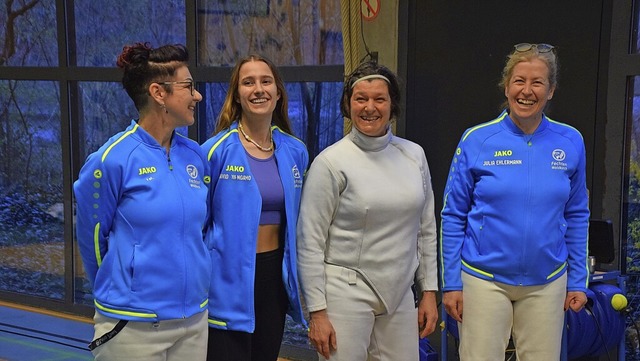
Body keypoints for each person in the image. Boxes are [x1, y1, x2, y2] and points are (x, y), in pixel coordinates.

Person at [440, 43, 590, 361]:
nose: (527, 91)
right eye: (519, 81)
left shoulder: (570, 141)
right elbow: (453, 215)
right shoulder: (477, 140)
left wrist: (577, 280)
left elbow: (577, 214)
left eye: (537, 82)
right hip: (483, 279)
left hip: (547, 281)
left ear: (550, 91)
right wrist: (451, 281)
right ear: (507, 87)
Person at [73, 42, 210, 360]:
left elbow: (200, 230)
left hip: (193, 320)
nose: (197, 95)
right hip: (131, 325)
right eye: (188, 86)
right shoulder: (111, 160)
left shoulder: (195, 156)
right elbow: (93, 240)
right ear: (159, 93)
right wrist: (125, 290)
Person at [296, 61, 439, 361]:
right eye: (361, 99)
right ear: (348, 105)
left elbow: (425, 229)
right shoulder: (331, 163)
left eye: (379, 99)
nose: (370, 107)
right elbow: (309, 243)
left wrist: (428, 291)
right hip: (344, 292)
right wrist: (317, 313)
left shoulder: (414, 155)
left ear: (392, 104)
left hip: (399, 293)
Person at [201, 54, 309, 361]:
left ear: (278, 93)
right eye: (248, 82)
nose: (258, 89)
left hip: (274, 279)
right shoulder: (214, 152)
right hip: (227, 281)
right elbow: (199, 225)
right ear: (237, 95)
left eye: (266, 81)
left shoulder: (295, 151)